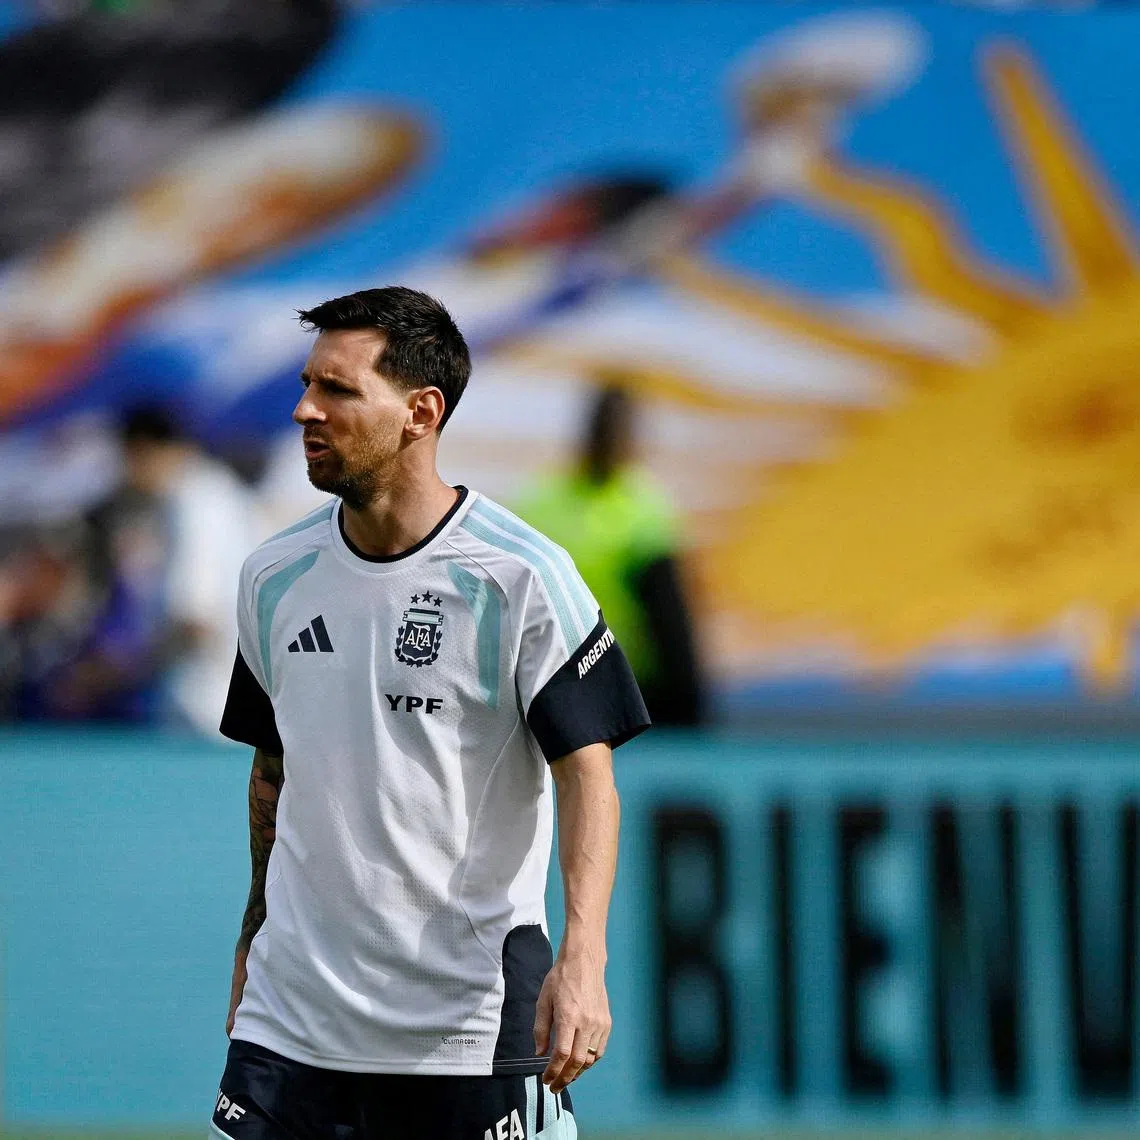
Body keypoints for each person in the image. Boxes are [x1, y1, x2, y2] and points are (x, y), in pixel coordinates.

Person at [213, 287, 650, 1139]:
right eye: (307, 384)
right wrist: (250, 939)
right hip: (289, 1026)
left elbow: (588, 775)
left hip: (467, 1034)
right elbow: (273, 772)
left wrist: (584, 958)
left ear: (421, 412)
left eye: (338, 389)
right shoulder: (272, 577)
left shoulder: (522, 576)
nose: (305, 409)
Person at [515, 383, 705, 726]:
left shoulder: (642, 508)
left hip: (612, 687)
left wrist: (688, 702)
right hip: (567, 684)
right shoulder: (640, 509)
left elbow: (671, 625)